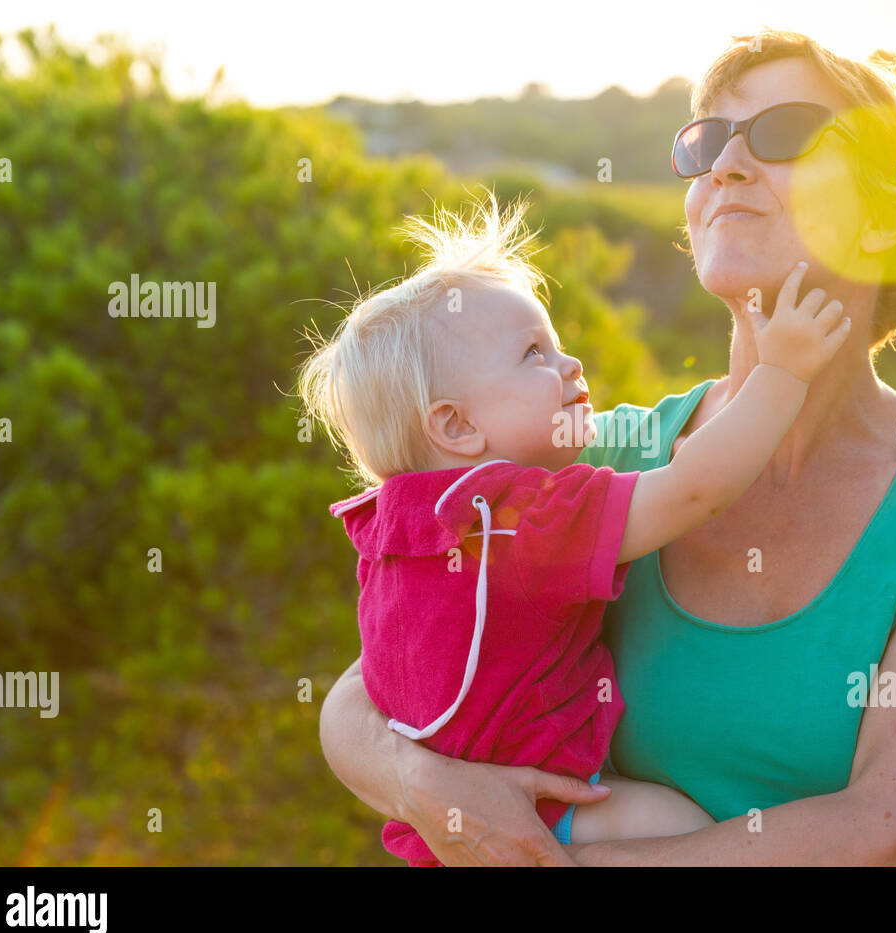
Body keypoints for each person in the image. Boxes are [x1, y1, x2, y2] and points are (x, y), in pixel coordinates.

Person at [318, 29, 896, 865]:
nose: (725, 168)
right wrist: (429, 790)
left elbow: (887, 834)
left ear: (886, 220)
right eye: (707, 143)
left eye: (782, 134)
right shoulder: (598, 455)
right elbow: (372, 682)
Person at [299, 190, 851, 864]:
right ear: (456, 426)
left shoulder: (398, 525)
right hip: (545, 811)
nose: (572, 365)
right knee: (683, 824)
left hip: (436, 830)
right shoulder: (525, 517)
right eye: (534, 354)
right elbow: (693, 489)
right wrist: (782, 374)